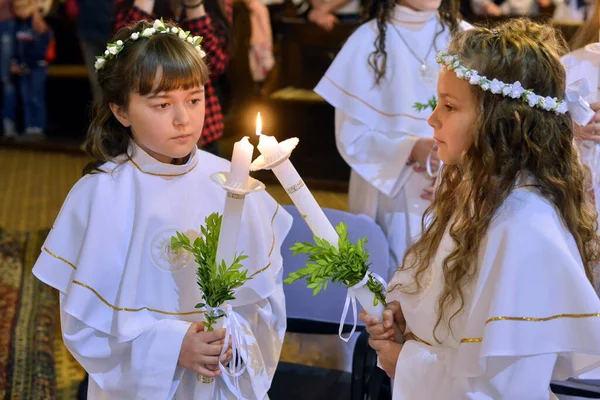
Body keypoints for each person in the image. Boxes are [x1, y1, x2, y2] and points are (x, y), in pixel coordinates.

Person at [32, 19, 292, 399]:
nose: (183, 119)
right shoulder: (101, 195)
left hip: (222, 381)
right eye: (162, 104)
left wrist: (235, 340)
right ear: (121, 111)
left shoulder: (235, 183)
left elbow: (265, 300)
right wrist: (172, 348)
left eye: (194, 99)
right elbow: (84, 327)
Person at [360, 19, 600, 398]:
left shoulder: (525, 227)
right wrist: (404, 315)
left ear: (504, 122)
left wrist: (402, 362)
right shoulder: (477, 197)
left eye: (450, 106)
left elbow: (506, 391)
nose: (432, 118)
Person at [314, 0, 468, 277]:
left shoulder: (468, 40)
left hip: (458, 183)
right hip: (391, 188)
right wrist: (412, 148)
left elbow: (490, 123)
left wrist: (457, 166)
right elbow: (352, 137)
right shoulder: (367, 41)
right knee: (395, 279)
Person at [114, 0, 232, 156]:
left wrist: (194, 6)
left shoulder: (216, 5)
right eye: (163, 104)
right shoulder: (131, 6)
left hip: (204, 127)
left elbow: (215, 64)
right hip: (149, 136)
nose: (182, 119)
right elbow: (123, 55)